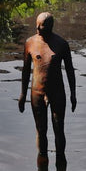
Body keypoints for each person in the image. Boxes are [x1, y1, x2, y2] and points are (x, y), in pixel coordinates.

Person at [18, 11, 77, 159]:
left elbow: (70, 70)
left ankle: (60, 162)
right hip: (37, 93)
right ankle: (42, 165)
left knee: (59, 128)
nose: (37, 28)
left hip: (57, 93)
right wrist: (23, 94)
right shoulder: (30, 43)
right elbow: (25, 71)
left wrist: (73, 94)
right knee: (41, 129)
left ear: (50, 26)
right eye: (36, 25)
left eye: (41, 26)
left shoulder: (61, 44)